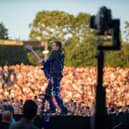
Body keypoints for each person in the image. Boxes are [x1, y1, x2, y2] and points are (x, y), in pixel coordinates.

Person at [26, 41, 68, 115]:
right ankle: (53, 108)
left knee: (55, 93)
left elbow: (44, 63)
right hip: (54, 76)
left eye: (53, 45)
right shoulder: (58, 55)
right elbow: (44, 63)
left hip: (55, 76)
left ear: (57, 47)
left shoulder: (56, 53)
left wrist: (32, 51)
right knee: (48, 92)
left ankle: (63, 109)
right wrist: (32, 51)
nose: (52, 47)